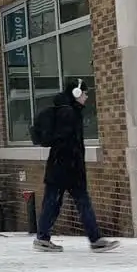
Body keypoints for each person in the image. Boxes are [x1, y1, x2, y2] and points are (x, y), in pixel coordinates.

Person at [33, 80, 119, 253]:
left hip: (61, 167)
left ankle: (44, 238)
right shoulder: (69, 113)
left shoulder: (67, 111)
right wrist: (74, 164)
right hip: (67, 168)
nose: (86, 97)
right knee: (74, 203)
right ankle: (94, 239)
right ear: (76, 93)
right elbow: (66, 142)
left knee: (54, 203)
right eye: (85, 93)